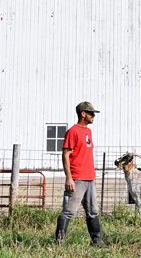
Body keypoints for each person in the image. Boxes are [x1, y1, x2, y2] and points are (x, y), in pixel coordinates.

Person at [55, 101, 103, 247]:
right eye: (91, 113)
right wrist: (69, 178)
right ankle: (59, 243)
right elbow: (65, 155)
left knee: (93, 211)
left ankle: (97, 242)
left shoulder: (88, 131)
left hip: (90, 178)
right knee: (69, 211)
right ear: (83, 114)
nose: (93, 116)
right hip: (77, 178)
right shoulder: (72, 131)